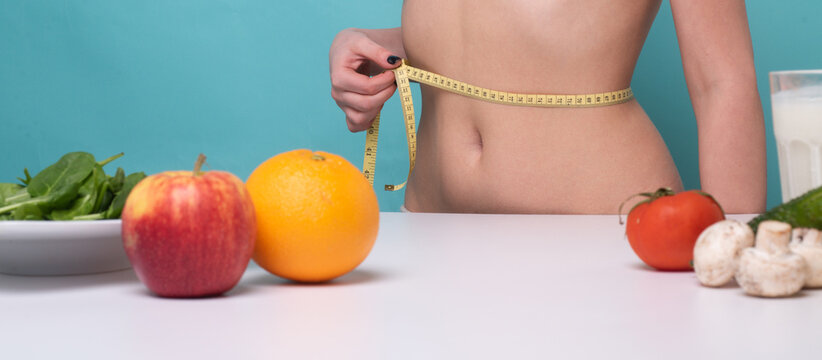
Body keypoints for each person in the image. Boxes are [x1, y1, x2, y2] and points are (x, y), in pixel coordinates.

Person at [328, 0, 766, 214]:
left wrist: (738, 258)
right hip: (431, 223)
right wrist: (379, 46)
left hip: (593, 238)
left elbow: (721, 82)